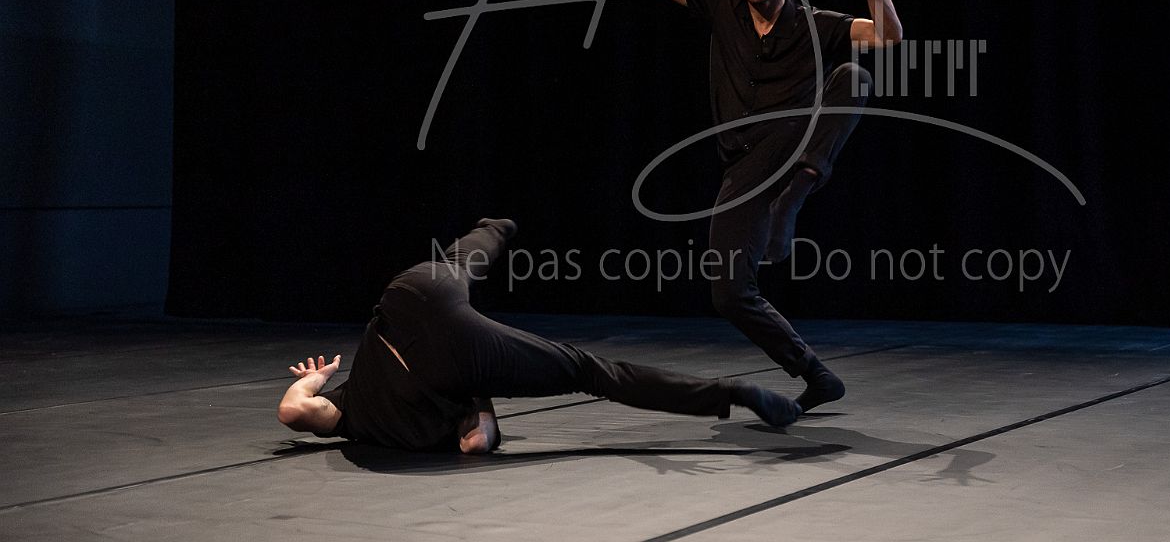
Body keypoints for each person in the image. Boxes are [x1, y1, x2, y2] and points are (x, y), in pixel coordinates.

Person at [636, 0, 903, 414]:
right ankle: (815, 373)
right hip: (743, 165)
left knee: (854, 76)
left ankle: (797, 193)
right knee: (729, 294)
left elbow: (887, 35)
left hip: (794, 143)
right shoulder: (721, 2)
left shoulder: (816, 23)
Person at [277, 218, 800, 453]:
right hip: (406, 300)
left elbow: (476, 443)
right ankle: (496, 227)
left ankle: (732, 393)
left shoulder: (357, 423)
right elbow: (293, 409)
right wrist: (318, 378)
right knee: (458, 262)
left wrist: (479, 392)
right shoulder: (345, 405)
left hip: (456, 357)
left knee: (593, 372)